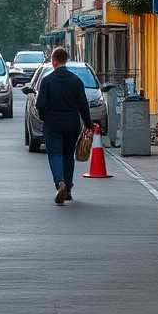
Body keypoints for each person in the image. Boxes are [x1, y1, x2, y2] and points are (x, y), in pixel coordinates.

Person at [35, 47, 92, 205]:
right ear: (65, 60)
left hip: (53, 123)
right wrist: (88, 124)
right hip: (72, 123)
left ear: (54, 61)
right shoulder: (76, 81)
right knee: (68, 155)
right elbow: (83, 105)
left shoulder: (47, 81)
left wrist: (44, 118)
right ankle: (68, 189)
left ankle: (60, 182)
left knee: (54, 154)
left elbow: (40, 104)